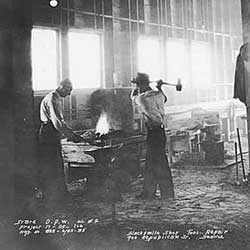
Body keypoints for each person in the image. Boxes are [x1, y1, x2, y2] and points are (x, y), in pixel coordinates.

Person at [37, 78, 82, 208]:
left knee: (56, 163)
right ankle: (52, 197)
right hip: (48, 133)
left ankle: (59, 195)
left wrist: (70, 133)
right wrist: (72, 136)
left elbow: (60, 122)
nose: (69, 94)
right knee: (51, 164)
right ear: (62, 86)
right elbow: (57, 123)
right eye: (69, 90)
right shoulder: (52, 98)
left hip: (52, 132)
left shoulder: (56, 98)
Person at [131, 72, 174, 199]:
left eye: (138, 85)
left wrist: (137, 88)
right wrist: (159, 87)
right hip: (160, 132)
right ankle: (150, 192)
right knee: (152, 162)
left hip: (153, 133)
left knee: (158, 162)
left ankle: (165, 193)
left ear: (140, 85)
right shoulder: (158, 94)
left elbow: (133, 97)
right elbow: (165, 99)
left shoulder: (142, 98)